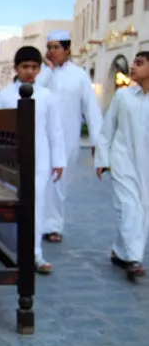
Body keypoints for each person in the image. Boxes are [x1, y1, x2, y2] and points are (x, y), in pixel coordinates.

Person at [0, 46, 66, 274]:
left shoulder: (46, 96)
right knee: (11, 206)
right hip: (11, 162)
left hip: (40, 160)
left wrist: (58, 160)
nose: (30, 71)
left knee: (36, 206)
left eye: (35, 67)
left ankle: (35, 255)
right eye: (25, 67)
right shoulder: (5, 95)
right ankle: (9, 245)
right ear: (16, 68)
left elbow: (55, 130)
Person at [37, 30, 103, 243]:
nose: (52, 51)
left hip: (68, 138)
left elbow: (91, 109)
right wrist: (48, 70)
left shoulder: (79, 76)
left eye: (56, 47)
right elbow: (34, 93)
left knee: (59, 183)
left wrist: (97, 141)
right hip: (42, 138)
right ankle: (39, 223)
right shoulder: (43, 75)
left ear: (67, 50)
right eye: (50, 47)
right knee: (40, 181)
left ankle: (54, 225)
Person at [94, 51, 149, 281]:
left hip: (145, 166)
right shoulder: (123, 97)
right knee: (129, 207)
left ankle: (120, 250)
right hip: (122, 161)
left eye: (139, 63)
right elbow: (107, 129)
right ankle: (134, 259)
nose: (133, 67)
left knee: (143, 209)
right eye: (133, 62)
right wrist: (103, 160)